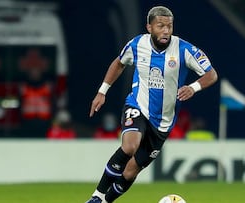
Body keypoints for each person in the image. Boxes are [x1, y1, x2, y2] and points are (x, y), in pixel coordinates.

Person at [86, 6, 218, 203]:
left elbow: (211, 74)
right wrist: (102, 91)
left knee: (130, 172)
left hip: (163, 122)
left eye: (169, 26)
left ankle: (105, 201)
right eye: (160, 26)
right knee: (130, 146)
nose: (166, 31)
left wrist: (193, 88)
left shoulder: (185, 50)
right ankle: (97, 196)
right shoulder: (137, 44)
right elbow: (119, 63)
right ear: (149, 27)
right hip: (137, 105)